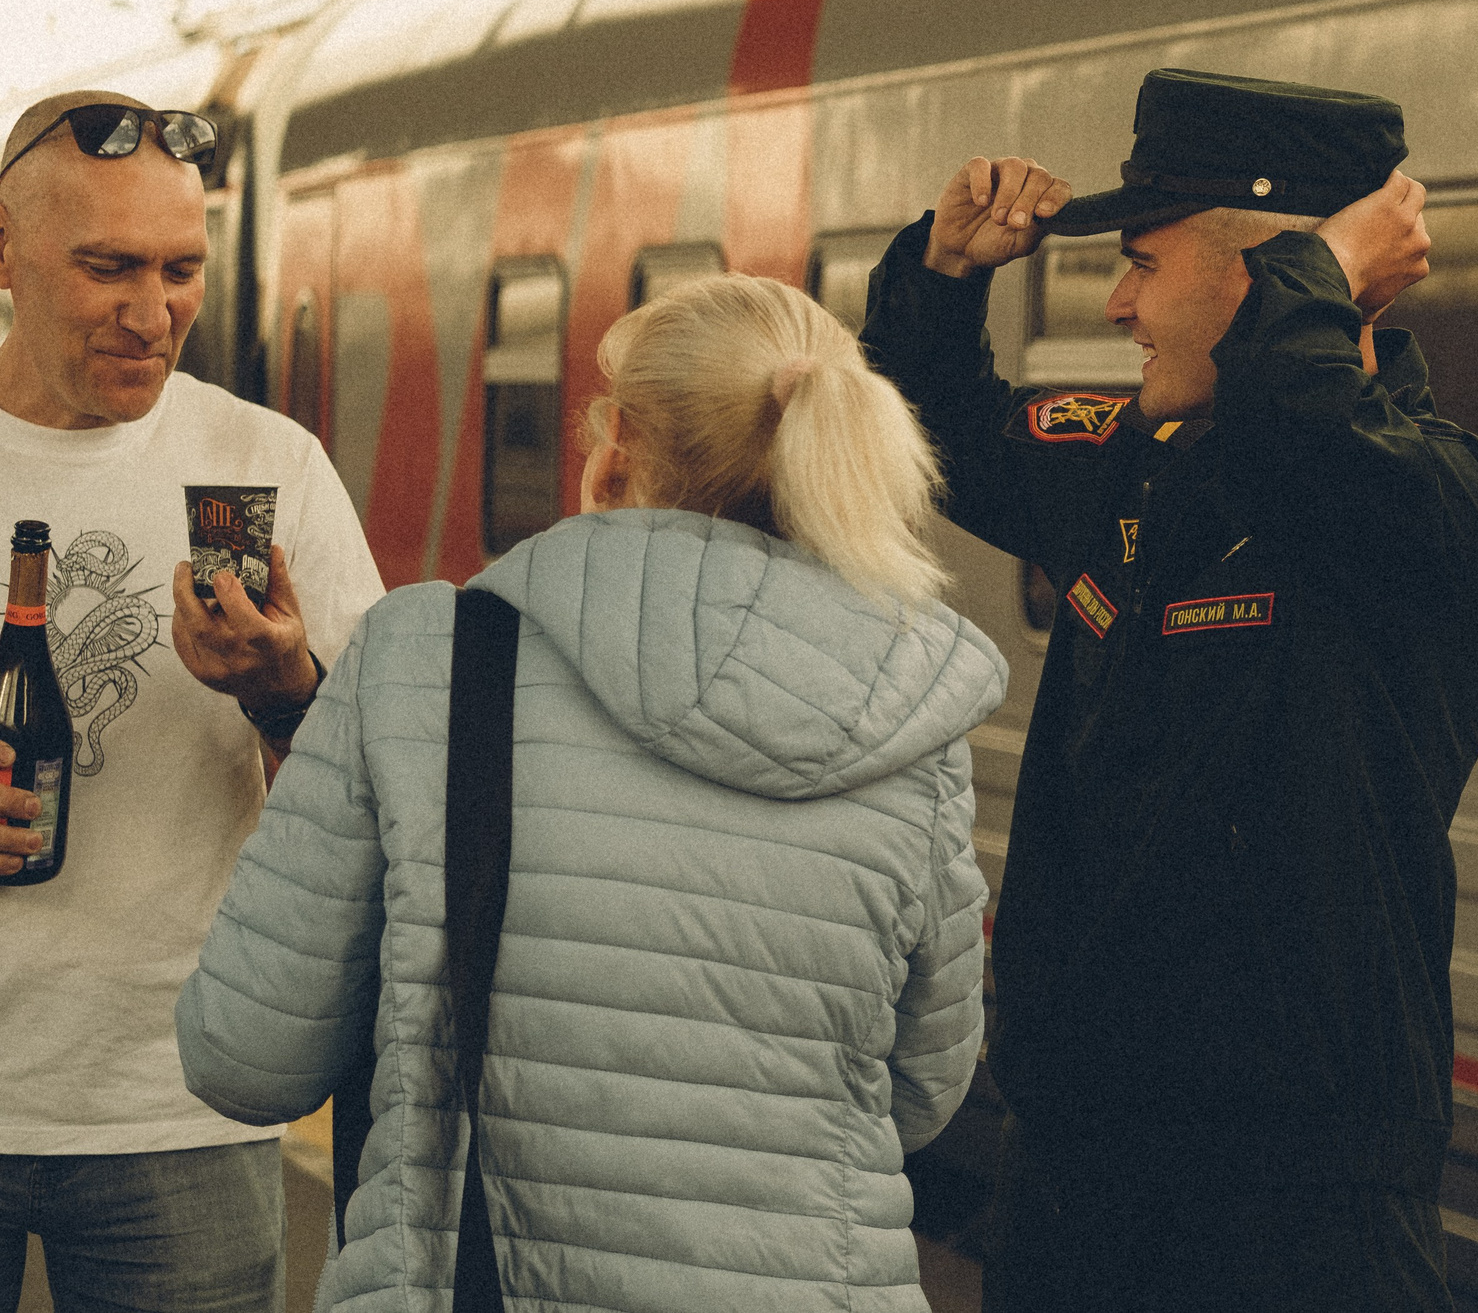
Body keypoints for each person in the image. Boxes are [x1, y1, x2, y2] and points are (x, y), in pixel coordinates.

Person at [177, 271, 1005, 1312]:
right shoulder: (913, 709)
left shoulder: (436, 654)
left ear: (615, 453)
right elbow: (924, 1090)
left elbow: (246, 1058)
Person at [860, 68, 1478, 1311]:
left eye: (1144, 266)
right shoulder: (1132, 468)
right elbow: (923, 424)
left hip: (1300, 1214)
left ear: (1272, 276)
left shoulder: (1443, 505)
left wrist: (1315, 280)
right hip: (1080, 1180)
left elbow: (1308, 446)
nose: (1116, 305)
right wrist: (946, 271)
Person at [0, 90, 384, 1311]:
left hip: (181, 1100)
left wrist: (287, 697)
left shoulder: (266, 465)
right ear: (2, 252)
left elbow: (385, 787)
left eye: (181, 270)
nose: (151, 313)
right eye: (106, 267)